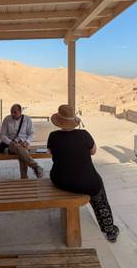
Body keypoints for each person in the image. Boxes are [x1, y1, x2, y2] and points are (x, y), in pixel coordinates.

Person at [47, 104, 120, 243]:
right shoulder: (84, 134)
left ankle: (109, 229)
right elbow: (93, 151)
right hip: (86, 182)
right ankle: (109, 230)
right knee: (98, 190)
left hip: (60, 180)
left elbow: (50, 152)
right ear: (73, 121)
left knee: (84, 178)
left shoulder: (53, 136)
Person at [0, 103, 43, 179]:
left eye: (15, 112)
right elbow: (2, 135)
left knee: (22, 153)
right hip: (11, 144)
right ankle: (35, 166)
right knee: (20, 149)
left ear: (20, 112)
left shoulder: (27, 119)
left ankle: (24, 178)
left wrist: (27, 142)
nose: (12, 114)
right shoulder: (7, 119)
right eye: (11, 112)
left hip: (24, 144)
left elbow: (31, 133)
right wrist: (11, 142)